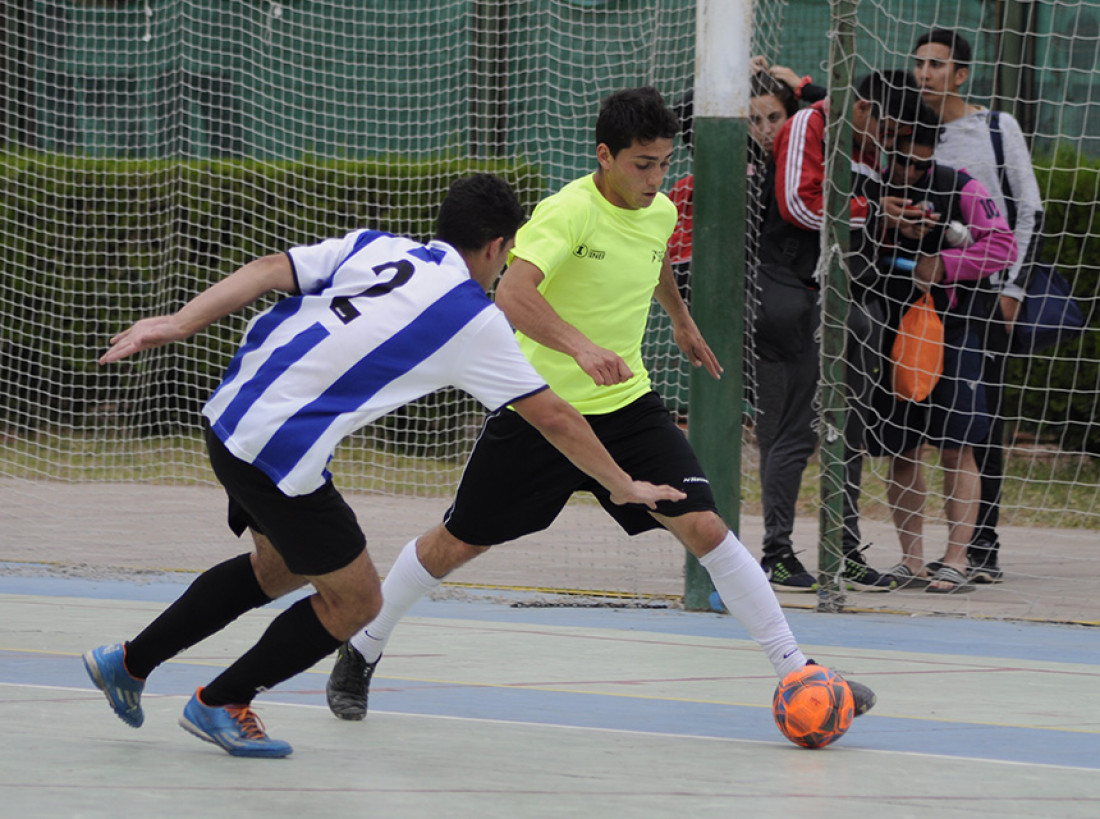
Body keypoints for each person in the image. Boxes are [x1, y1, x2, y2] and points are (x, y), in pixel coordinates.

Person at [83, 173, 688, 758]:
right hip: (278, 449)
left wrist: (178, 323)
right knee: (357, 603)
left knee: (278, 567)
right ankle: (222, 702)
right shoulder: (473, 319)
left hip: (232, 413)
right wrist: (623, 485)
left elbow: (270, 270)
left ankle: (129, 662)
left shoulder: (378, 246)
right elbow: (554, 416)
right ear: (498, 246)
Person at [325, 87, 877, 723]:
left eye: (665, 162)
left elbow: (656, 257)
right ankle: (363, 647)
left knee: (706, 526)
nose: (655, 177)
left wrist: (680, 319)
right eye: (642, 163)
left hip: (629, 407)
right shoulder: (567, 213)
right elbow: (511, 294)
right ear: (605, 156)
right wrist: (580, 347)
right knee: (457, 543)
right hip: (542, 414)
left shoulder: (661, 209)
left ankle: (796, 669)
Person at [765, 71, 922, 592]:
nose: (890, 143)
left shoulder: (867, 147)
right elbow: (801, 205)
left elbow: (858, 218)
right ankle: (777, 551)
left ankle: (845, 547)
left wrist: (892, 218)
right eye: (889, 129)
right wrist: (876, 212)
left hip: (844, 293)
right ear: (862, 109)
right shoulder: (809, 124)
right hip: (792, 290)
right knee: (797, 429)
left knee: (850, 426)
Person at [913, 28, 1045, 584]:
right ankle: (921, 551)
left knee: (978, 422)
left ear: (961, 74)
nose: (925, 74)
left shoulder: (995, 128)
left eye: (937, 66)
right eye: (918, 64)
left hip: (983, 295)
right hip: (921, 294)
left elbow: (1029, 211)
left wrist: (1012, 289)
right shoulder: (908, 133)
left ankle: (981, 545)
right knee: (922, 418)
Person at [867, 118, 1017, 593]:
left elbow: (1003, 245)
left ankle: (956, 558)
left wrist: (946, 264)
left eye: (918, 162)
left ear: (934, 153)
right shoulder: (872, 186)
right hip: (895, 329)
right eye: (901, 160)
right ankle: (911, 561)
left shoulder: (961, 186)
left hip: (954, 330)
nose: (908, 172)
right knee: (904, 447)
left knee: (957, 445)